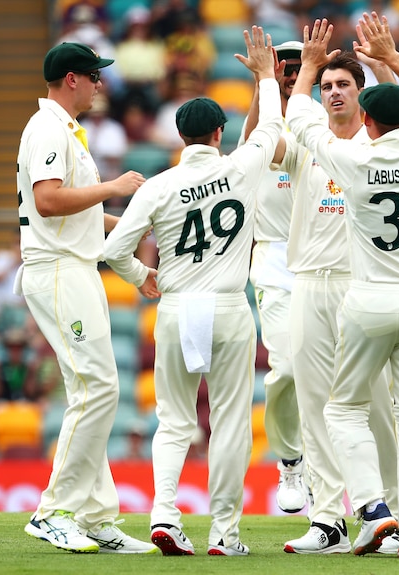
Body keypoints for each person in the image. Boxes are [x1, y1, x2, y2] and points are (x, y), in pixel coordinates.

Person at [103, 26, 283, 557]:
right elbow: (271, 126)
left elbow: (115, 250)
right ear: (219, 134)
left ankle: (163, 512)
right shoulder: (241, 168)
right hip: (228, 307)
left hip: (179, 306)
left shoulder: (158, 185)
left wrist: (144, 278)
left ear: (180, 137)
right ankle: (225, 533)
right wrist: (267, 77)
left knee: (174, 420)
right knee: (229, 424)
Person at [286, 13, 399, 558]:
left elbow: (299, 121)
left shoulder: (353, 159)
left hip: (369, 299)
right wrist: (393, 58)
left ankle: (374, 509)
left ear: (369, 121)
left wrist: (306, 69)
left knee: (342, 410)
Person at [18, 41, 155, 554]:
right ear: (72, 78)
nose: (101, 84)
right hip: (58, 271)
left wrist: (132, 227)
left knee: (92, 393)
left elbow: (76, 214)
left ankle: (96, 517)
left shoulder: (65, 129)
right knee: (99, 389)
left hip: (74, 268)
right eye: (94, 76)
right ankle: (54, 512)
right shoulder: (50, 128)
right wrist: (115, 186)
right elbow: (49, 201)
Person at [270, 27, 399, 555]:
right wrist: (288, 73)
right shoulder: (306, 140)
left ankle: (391, 512)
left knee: (376, 406)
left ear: (361, 92)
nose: (334, 93)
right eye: (326, 86)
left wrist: (387, 63)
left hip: (362, 286)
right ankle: (328, 519)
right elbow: (268, 142)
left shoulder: (380, 147)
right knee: (315, 401)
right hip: (307, 284)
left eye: (344, 84)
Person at [240, 39, 310, 515]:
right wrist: (261, 81)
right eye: (284, 66)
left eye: (299, 66)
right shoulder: (266, 120)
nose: (291, 72)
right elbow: (252, 142)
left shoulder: (324, 117)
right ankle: (290, 461)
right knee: (284, 368)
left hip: (329, 259)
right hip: (275, 260)